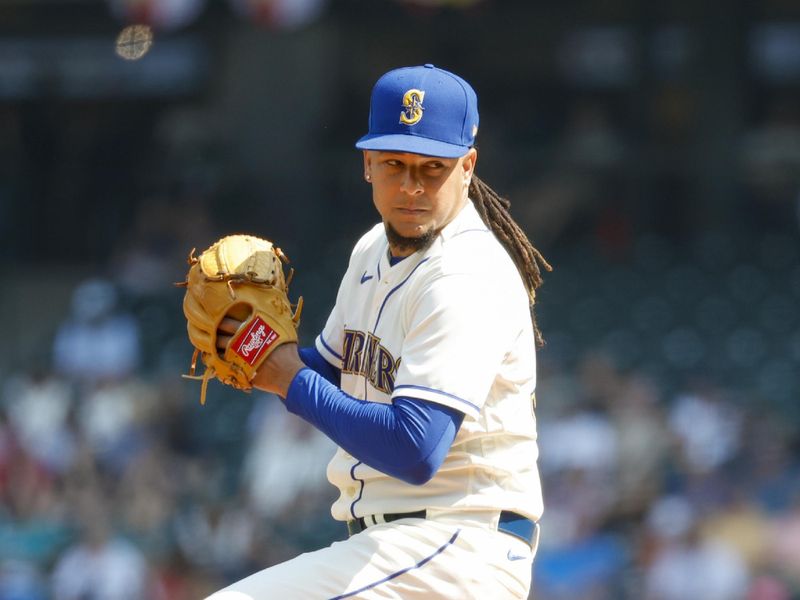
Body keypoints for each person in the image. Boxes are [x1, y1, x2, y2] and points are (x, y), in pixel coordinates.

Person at [208, 63, 551, 599]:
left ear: (468, 166)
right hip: (398, 549)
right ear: (367, 164)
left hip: (454, 546)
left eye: (432, 168)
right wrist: (250, 345)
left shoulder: (464, 273)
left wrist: (287, 379)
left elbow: (416, 448)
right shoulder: (371, 249)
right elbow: (328, 371)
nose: (411, 187)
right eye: (394, 164)